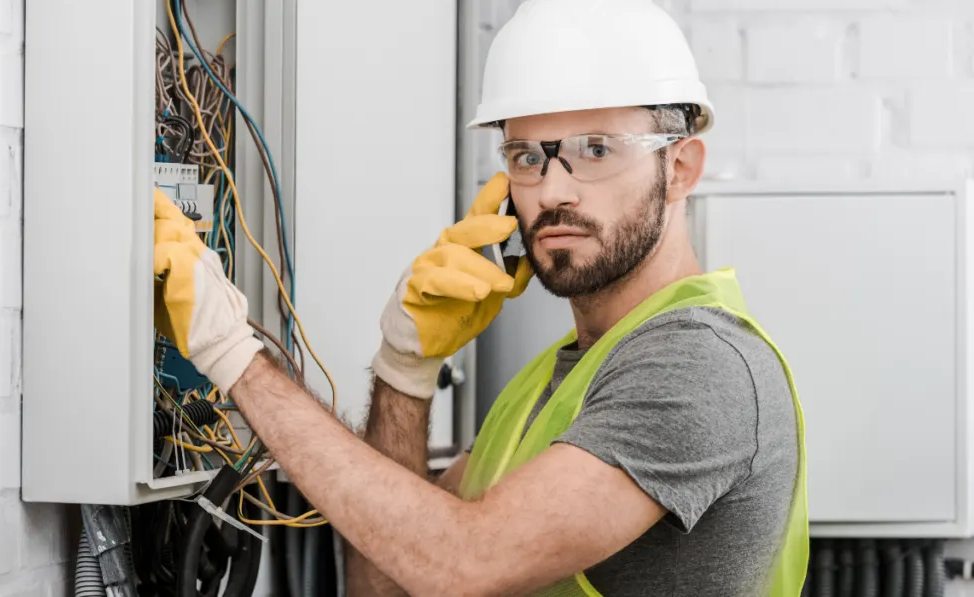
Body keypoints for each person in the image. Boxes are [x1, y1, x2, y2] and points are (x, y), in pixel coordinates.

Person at [152, 0, 809, 594]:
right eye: (527, 156)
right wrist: (404, 370)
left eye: (596, 149)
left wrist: (232, 351)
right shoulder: (549, 387)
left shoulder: (700, 365)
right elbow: (391, 581)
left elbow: (460, 562)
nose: (553, 190)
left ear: (681, 169)